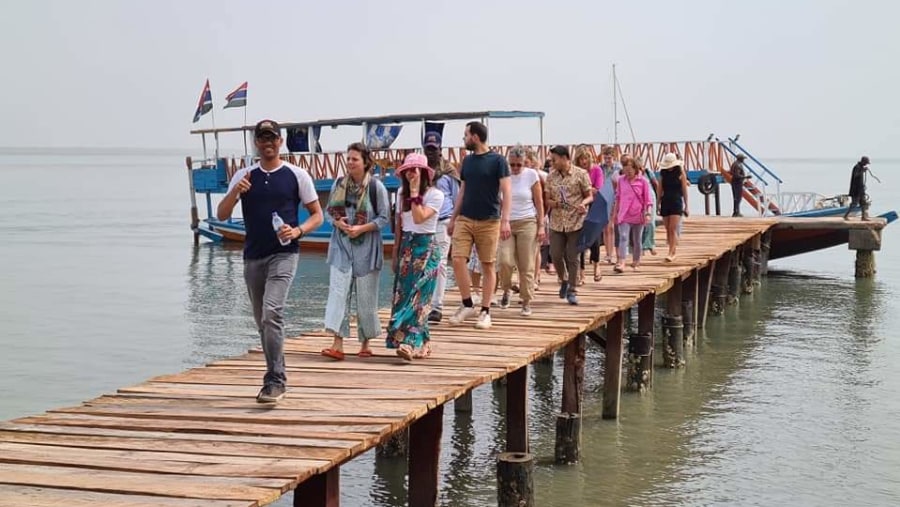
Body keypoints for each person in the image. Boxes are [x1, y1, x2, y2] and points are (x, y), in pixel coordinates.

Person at [216, 119, 323, 403]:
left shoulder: (296, 175)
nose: (268, 143)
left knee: (272, 312)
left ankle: (275, 381)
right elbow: (222, 214)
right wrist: (236, 192)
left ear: (280, 142)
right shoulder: (245, 175)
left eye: (272, 138)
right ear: (256, 143)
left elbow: (317, 215)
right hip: (253, 256)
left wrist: (298, 230)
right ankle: (276, 371)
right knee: (262, 322)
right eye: (262, 138)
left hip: (284, 254)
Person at [320, 143, 391, 360]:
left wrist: (361, 228)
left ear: (365, 162)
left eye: (354, 159)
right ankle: (337, 344)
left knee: (367, 297)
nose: (350, 162)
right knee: (338, 294)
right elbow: (328, 213)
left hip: (367, 249)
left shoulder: (376, 187)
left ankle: (365, 344)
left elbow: (384, 218)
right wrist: (339, 223)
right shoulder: (339, 184)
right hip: (341, 247)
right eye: (348, 158)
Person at [448, 121, 512, 329]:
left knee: (487, 265)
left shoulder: (498, 161)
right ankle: (467, 303)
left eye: (466, 135)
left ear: (475, 137)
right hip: (465, 218)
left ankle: (485, 311)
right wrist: (452, 218)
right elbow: (462, 191)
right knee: (457, 259)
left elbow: (507, 192)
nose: (463, 139)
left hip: (490, 220)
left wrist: (505, 220)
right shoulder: (466, 162)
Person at [387, 153, 444, 360]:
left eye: (415, 170)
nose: (411, 174)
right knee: (405, 296)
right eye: (408, 171)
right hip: (407, 248)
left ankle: (409, 343)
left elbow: (419, 218)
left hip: (426, 247)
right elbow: (401, 225)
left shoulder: (436, 195)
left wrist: (414, 191)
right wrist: (395, 254)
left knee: (419, 298)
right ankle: (426, 342)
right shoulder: (402, 192)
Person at [497, 145, 545, 316]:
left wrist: (541, 225)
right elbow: (499, 201)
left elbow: (539, 202)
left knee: (526, 264)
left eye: (519, 164)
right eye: (512, 164)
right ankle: (506, 288)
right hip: (507, 222)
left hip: (527, 221)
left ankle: (526, 300)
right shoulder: (504, 175)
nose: (515, 168)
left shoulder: (532, 175)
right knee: (505, 260)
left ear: (525, 162)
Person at [544, 145, 593, 305]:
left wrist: (583, 204)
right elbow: (547, 200)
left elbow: (589, 196)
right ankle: (563, 278)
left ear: (564, 158)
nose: (552, 162)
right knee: (556, 254)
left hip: (575, 221)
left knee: (573, 257)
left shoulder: (581, 174)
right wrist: (555, 203)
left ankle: (572, 289)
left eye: (554, 159)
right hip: (557, 222)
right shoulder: (551, 177)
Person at [425, 131, 460, 324]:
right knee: (423, 264)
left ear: (440, 150)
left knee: (439, 264)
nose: (431, 153)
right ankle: (423, 303)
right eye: (428, 149)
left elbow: (457, 198)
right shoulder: (421, 170)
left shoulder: (449, 172)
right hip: (423, 222)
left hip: (443, 221)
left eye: (434, 149)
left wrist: (455, 222)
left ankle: (437, 306)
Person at [612, 157, 653, 273]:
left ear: (635, 169)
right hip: (624, 214)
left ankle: (636, 261)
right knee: (623, 237)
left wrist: (648, 213)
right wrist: (615, 213)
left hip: (638, 214)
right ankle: (622, 262)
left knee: (637, 240)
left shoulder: (643, 181)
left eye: (630, 170)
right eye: (625, 169)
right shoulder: (621, 180)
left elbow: (648, 200)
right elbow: (618, 198)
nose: (628, 172)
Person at [573, 145, 603, 283]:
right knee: (580, 238)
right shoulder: (576, 171)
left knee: (594, 238)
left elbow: (598, 189)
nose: (583, 161)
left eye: (585, 158)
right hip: (580, 205)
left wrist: (586, 188)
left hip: (594, 205)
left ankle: (597, 265)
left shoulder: (596, 170)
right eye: (581, 159)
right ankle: (582, 272)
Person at [657, 153, 689, 262]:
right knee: (667, 229)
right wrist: (657, 203)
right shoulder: (663, 173)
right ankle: (671, 248)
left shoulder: (680, 173)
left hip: (676, 201)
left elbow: (684, 190)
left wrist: (687, 205)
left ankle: (672, 252)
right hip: (665, 200)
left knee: (672, 228)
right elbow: (659, 189)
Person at [598, 146, 621, 264]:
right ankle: (608, 253)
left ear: (614, 157)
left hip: (614, 198)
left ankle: (611, 253)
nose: (607, 160)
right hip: (603, 197)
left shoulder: (618, 168)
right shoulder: (600, 168)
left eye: (609, 158)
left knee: (611, 227)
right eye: (605, 158)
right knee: (605, 227)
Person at [640, 160, 660, 255]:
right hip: (639, 198)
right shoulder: (634, 174)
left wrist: (659, 197)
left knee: (651, 222)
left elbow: (656, 183)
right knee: (640, 223)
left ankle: (651, 244)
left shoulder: (648, 172)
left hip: (650, 197)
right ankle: (642, 246)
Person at [843, 156, 871, 221]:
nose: (866, 164)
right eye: (866, 163)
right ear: (863, 161)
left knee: (863, 203)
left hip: (861, 189)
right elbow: (855, 175)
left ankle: (863, 217)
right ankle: (845, 216)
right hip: (856, 190)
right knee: (854, 204)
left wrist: (863, 170)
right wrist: (862, 171)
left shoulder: (861, 167)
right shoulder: (857, 167)